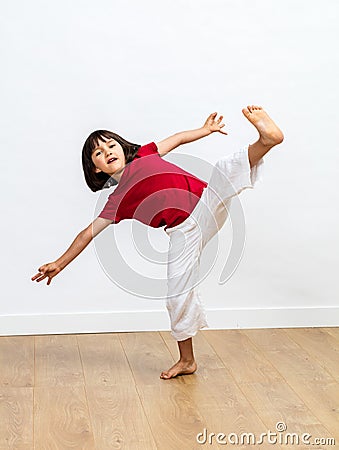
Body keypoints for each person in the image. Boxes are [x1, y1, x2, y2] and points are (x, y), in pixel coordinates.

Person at [31, 105, 284, 380]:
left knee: (223, 170)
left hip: (205, 204)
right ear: (96, 168)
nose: (108, 152)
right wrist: (59, 263)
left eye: (111, 145)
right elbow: (87, 234)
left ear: (122, 146)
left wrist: (205, 130)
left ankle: (266, 141)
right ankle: (187, 360)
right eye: (99, 153)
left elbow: (176, 139)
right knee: (177, 292)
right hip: (183, 232)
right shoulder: (116, 201)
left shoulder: (144, 153)